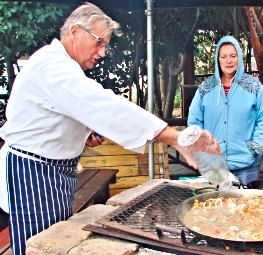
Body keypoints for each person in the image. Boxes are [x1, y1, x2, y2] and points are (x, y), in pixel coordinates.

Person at [0, 3, 219, 255]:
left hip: (54, 173)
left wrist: (82, 135)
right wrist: (175, 137)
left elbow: (53, 119)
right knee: (36, 247)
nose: (102, 52)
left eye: (104, 45)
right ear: (74, 31)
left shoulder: (62, 66)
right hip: (33, 174)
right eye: (98, 42)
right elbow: (102, 104)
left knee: (53, 243)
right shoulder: (52, 66)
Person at [187, 35, 263, 185]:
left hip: (247, 163)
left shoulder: (254, 86)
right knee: (217, 206)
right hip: (214, 165)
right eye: (224, 56)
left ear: (239, 57)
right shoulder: (206, 88)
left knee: (248, 206)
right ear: (217, 59)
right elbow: (194, 122)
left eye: (233, 56)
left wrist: (254, 148)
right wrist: (203, 149)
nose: (228, 61)